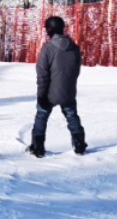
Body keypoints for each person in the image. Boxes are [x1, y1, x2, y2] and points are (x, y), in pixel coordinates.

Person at [31, 15, 87, 157]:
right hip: (68, 91)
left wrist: (42, 94)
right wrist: (68, 86)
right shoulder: (74, 48)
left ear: (50, 29)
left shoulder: (48, 49)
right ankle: (79, 143)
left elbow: (42, 74)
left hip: (50, 93)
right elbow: (76, 70)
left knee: (42, 115)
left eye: (47, 29)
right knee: (72, 115)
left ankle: (37, 147)